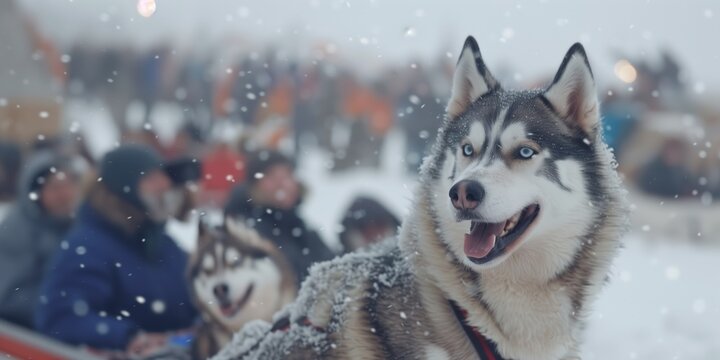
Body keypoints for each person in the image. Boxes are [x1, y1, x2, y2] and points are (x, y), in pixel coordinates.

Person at [35, 145, 197, 356]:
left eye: (163, 177)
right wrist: (127, 337)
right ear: (124, 186)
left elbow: (192, 297)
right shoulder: (87, 247)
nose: (164, 186)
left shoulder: (162, 243)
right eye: (151, 179)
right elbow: (61, 317)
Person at [224, 150, 335, 285]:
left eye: (288, 175)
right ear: (253, 187)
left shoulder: (300, 227)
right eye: (272, 177)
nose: (284, 184)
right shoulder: (245, 234)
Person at [0, 151, 82, 328]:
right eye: (55, 188)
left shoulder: (76, 226)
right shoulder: (17, 230)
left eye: (69, 185)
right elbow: (10, 297)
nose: (65, 194)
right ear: (35, 192)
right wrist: (66, 307)